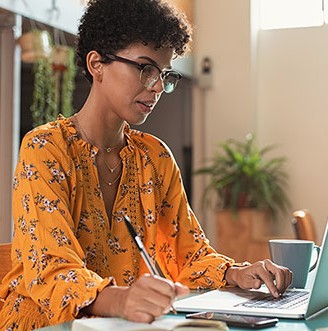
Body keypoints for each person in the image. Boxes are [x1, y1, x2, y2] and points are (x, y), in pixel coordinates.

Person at [0, 0, 292, 330]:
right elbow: (52, 267)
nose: (156, 87)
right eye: (145, 68)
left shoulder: (156, 157)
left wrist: (236, 273)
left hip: (124, 325)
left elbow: (190, 253)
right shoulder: (45, 148)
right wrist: (122, 300)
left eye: (163, 74)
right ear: (97, 64)